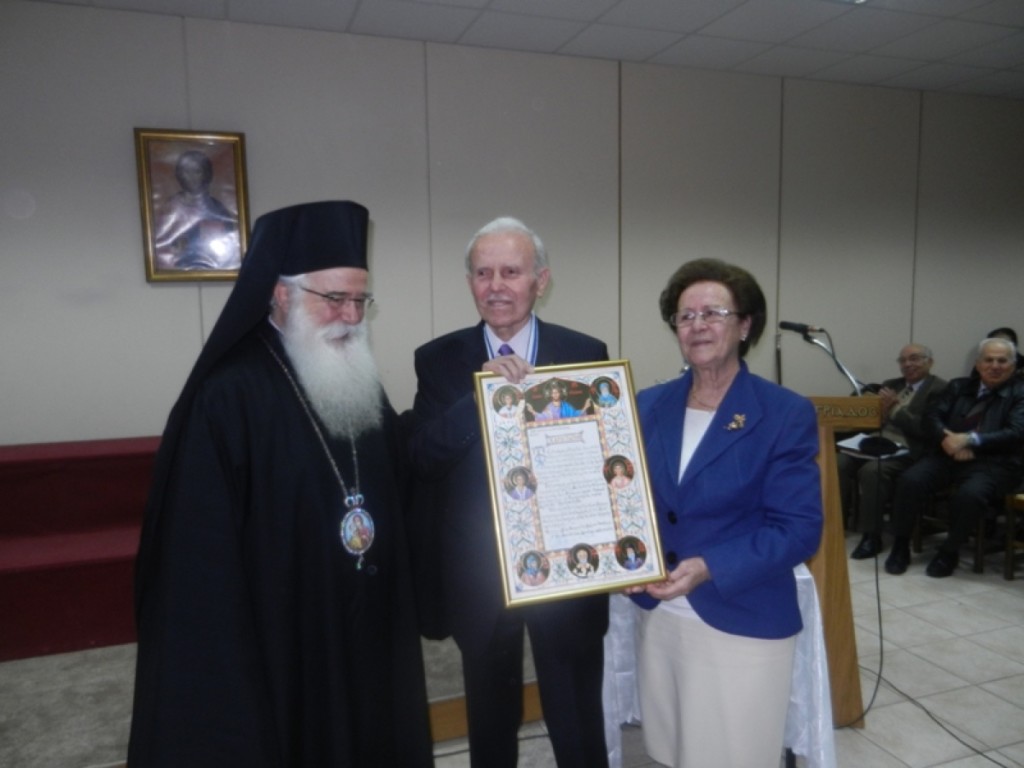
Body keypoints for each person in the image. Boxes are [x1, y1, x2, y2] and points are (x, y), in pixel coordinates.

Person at [128, 201, 433, 767]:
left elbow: (395, 470)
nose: (351, 316)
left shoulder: (356, 378)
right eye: (334, 298)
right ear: (281, 294)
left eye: (360, 300)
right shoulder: (228, 395)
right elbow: (198, 554)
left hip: (364, 623)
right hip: (283, 632)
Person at [409, 216, 610, 768]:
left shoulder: (585, 352)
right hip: (480, 573)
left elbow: (606, 461)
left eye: (511, 272)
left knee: (575, 715)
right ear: (470, 281)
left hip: (567, 567)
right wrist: (479, 399)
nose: (495, 286)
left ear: (540, 280)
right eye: (483, 273)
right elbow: (422, 457)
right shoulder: (438, 359)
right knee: (490, 720)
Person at [626, 258, 823, 768]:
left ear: (745, 325)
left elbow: (799, 529)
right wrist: (624, 559)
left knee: (734, 754)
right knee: (672, 749)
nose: (697, 326)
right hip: (660, 613)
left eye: (713, 313)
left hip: (741, 615)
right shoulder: (648, 404)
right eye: (685, 316)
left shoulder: (783, 412)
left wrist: (709, 565)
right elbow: (626, 499)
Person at [884, 337, 1024, 578]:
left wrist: (970, 440)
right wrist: (948, 439)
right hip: (947, 454)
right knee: (910, 480)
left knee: (970, 495)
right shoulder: (959, 386)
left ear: (1012, 366)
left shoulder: (1020, 392)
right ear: (978, 364)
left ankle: (949, 551)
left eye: (1002, 361)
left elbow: (1016, 432)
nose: (995, 366)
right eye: (989, 360)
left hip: (994, 463)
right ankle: (900, 546)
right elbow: (931, 417)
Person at [838, 344, 947, 559]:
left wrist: (895, 409)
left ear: (929, 362)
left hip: (910, 449)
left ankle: (872, 536)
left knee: (872, 471)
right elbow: (873, 420)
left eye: (914, 359)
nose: (908, 364)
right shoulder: (891, 384)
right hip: (877, 443)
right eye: (903, 360)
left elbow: (926, 429)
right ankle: (835, 523)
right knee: (837, 462)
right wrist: (872, 408)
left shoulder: (940, 389)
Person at [153, 149, 240, 271]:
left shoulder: (217, 208)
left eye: (197, 171)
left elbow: (230, 246)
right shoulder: (170, 208)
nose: (192, 177)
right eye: (187, 171)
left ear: (206, 174)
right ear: (179, 174)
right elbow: (160, 246)